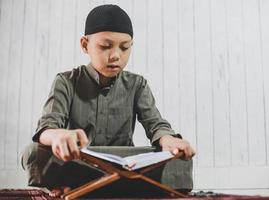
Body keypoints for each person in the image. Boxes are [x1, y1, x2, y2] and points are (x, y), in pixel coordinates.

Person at [22, 4, 195, 198]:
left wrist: (168, 140)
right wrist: (57, 136)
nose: (116, 55)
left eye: (125, 47)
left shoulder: (137, 84)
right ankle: (122, 185)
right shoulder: (66, 81)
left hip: (126, 162)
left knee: (177, 156)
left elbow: (156, 125)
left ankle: (97, 184)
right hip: (79, 161)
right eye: (105, 46)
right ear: (85, 44)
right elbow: (47, 127)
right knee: (34, 152)